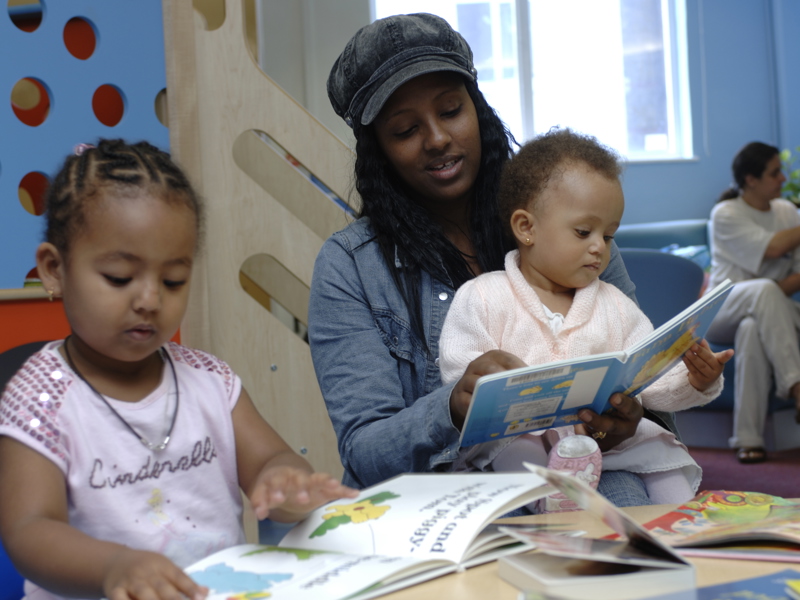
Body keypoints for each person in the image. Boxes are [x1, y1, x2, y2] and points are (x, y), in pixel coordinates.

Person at [310, 12, 668, 507]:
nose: (436, 138)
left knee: (628, 523)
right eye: (406, 129)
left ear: (477, 109)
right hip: (442, 507)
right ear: (379, 152)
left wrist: (626, 420)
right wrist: (453, 409)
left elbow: (638, 369)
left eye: (451, 110)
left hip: (590, 477)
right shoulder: (349, 268)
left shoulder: (568, 224)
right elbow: (365, 453)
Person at [0, 139, 357, 600]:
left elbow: (271, 460)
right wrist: (114, 566)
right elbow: (29, 529)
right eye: (119, 278)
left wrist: (285, 481)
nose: (150, 300)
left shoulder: (210, 381)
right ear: (54, 269)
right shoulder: (38, 399)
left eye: (173, 281)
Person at [438, 128, 733, 507]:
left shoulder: (614, 305)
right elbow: (459, 372)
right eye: (583, 231)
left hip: (603, 444)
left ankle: (681, 522)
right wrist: (484, 385)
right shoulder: (483, 296)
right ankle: (552, 499)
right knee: (512, 448)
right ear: (526, 228)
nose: (599, 247)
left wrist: (695, 378)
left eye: (609, 236)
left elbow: (651, 379)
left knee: (663, 457)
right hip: (519, 440)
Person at [705, 141, 800, 464]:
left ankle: (749, 439)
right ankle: (797, 385)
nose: (782, 178)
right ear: (751, 180)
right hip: (722, 308)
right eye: (775, 173)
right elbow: (772, 249)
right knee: (763, 291)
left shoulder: (787, 212)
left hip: (765, 309)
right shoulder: (726, 213)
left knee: (752, 329)